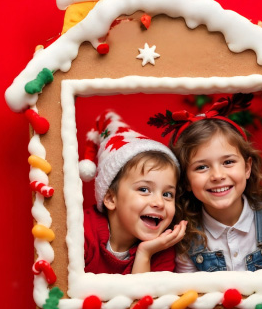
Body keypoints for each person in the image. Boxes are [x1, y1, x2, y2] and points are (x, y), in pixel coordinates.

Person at [148, 94, 262, 272]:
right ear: (186, 180)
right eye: (202, 167)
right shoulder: (185, 237)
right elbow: (189, 296)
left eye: (228, 162)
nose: (217, 175)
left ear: (247, 168)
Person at [79, 111, 187, 274]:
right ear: (110, 199)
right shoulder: (81, 230)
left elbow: (143, 299)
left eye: (167, 194)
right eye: (144, 189)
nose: (159, 202)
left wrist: (145, 253)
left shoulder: (162, 247)